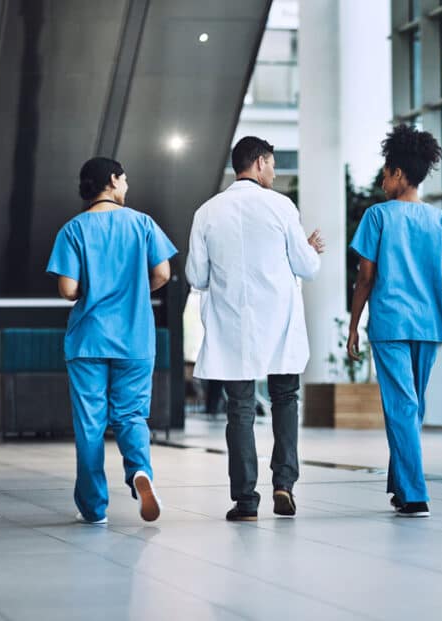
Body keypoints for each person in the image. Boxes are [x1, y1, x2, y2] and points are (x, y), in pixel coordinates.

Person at [186, 136, 325, 522]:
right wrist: (309, 249)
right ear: (260, 162)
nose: (275, 172)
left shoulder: (208, 212)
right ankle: (284, 483)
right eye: (273, 164)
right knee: (285, 399)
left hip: (234, 325)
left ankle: (246, 501)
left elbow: (196, 275)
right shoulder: (281, 207)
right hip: (279, 324)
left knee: (240, 410)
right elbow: (307, 267)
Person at [347, 124, 442, 518]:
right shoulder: (439, 221)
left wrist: (353, 325)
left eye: (386, 174)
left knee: (403, 408)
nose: (383, 182)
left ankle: (416, 495)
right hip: (429, 326)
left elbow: (365, 277)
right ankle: (402, 487)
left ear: (399, 173)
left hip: (389, 325)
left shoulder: (377, 216)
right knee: (411, 409)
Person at [47, 156, 177, 525]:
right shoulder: (143, 223)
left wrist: (92, 292)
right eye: (125, 180)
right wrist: (134, 289)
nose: (127, 186)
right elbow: (163, 273)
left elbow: (68, 288)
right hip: (135, 337)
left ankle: (93, 508)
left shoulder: (73, 230)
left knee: (89, 424)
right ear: (113, 180)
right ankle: (140, 473)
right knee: (131, 415)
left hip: (87, 340)